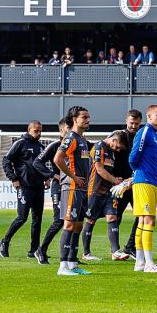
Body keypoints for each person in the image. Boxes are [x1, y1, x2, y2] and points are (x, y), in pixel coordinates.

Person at [0, 121, 46, 259]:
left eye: (40, 131)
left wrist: (46, 178)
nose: (39, 133)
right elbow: (6, 160)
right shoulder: (20, 143)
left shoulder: (40, 147)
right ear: (29, 129)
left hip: (39, 187)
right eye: (36, 131)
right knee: (22, 217)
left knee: (37, 220)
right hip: (24, 187)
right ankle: (4, 242)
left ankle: (34, 250)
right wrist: (13, 178)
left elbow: (41, 165)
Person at [54, 106, 93, 276]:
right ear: (75, 119)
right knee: (69, 223)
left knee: (78, 225)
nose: (88, 120)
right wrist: (73, 177)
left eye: (88, 117)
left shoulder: (82, 139)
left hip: (82, 189)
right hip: (71, 187)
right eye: (84, 117)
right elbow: (58, 159)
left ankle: (72, 263)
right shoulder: (71, 138)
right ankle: (62, 266)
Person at [81, 131, 129, 261]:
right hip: (94, 190)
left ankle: (115, 251)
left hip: (108, 191)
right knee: (90, 220)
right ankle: (86, 253)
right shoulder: (99, 147)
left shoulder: (111, 153)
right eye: (118, 146)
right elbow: (99, 169)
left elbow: (108, 171)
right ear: (113, 139)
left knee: (113, 217)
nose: (118, 149)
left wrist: (115, 178)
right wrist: (115, 180)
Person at [129, 105, 157, 273]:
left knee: (144, 221)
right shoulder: (145, 132)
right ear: (149, 117)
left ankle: (140, 262)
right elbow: (133, 156)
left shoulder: (154, 134)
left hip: (151, 181)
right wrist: (138, 172)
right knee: (149, 220)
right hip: (144, 181)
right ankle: (149, 263)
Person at [32, 118, 71, 265]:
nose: (70, 130)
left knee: (73, 221)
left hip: (73, 188)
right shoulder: (55, 145)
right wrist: (52, 175)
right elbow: (37, 162)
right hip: (59, 188)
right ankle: (41, 250)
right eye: (68, 127)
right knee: (59, 220)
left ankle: (71, 255)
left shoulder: (75, 144)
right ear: (61, 130)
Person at [113, 109, 143, 259]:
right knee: (116, 217)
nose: (133, 126)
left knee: (141, 214)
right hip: (120, 184)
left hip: (135, 183)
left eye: (136, 123)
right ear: (126, 121)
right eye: (131, 123)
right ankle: (115, 250)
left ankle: (130, 246)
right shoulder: (118, 136)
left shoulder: (141, 136)